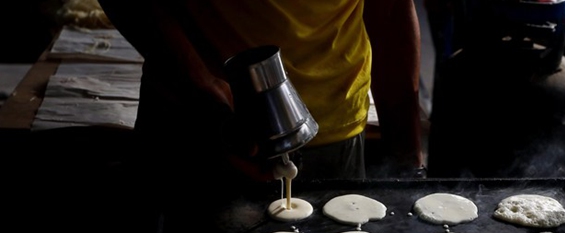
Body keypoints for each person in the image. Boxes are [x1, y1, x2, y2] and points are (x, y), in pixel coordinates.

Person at [98, 0, 424, 188]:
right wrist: (202, 91)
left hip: (334, 133)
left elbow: (391, 10)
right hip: (192, 130)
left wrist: (409, 161)